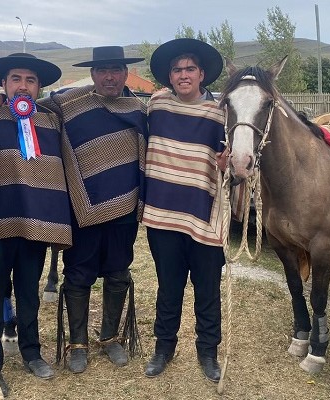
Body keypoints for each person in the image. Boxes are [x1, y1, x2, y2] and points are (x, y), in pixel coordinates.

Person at [0, 46, 147, 374]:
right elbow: (27, 106)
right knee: (78, 276)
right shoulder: (67, 102)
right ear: (93, 74)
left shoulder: (138, 109)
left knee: (118, 273)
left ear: (125, 73)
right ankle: (77, 345)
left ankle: (111, 338)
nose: (109, 76)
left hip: (124, 207)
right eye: (102, 70)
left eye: (116, 69)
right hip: (81, 208)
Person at [0, 53, 72, 396]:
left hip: (35, 225)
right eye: (16, 79)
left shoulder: (50, 121)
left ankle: (32, 352)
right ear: (3, 84)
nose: (23, 85)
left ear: (39, 87)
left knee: (29, 295)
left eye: (31, 80)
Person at [141, 38, 227, 383]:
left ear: (202, 74)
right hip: (162, 215)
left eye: (190, 68)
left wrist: (229, 165)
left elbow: (238, 159)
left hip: (205, 214)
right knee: (169, 286)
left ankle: (208, 352)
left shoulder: (222, 111)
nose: (183, 74)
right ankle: (164, 347)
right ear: (169, 77)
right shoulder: (155, 104)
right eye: (177, 70)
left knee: (207, 290)